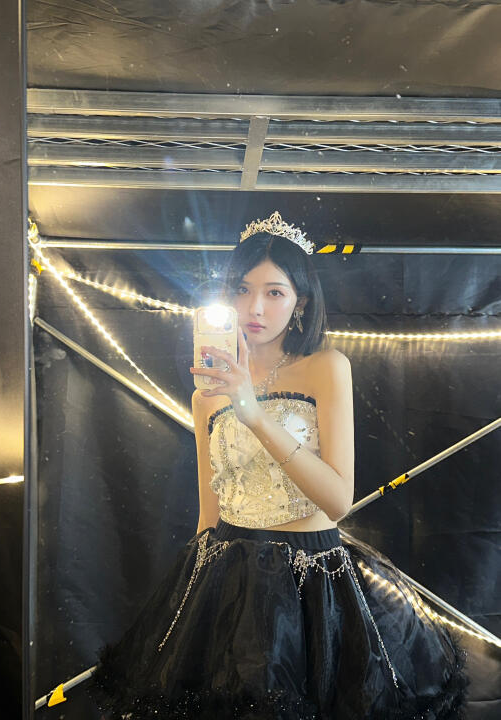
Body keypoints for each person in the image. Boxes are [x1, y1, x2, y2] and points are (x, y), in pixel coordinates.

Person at [90, 211, 469, 719]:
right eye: (243, 290)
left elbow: (338, 501)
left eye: (274, 292)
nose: (255, 308)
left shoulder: (326, 368)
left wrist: (253, 414)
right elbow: (209, 512)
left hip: (312, 585)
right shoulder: (207, 394)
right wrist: (190, 604)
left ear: (300, 302)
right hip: (227, 580)